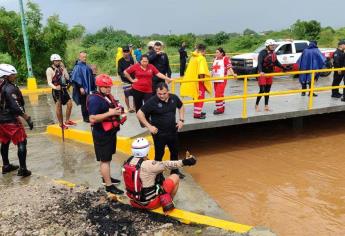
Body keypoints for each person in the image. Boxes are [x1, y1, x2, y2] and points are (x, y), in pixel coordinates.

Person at [122, 137, 197, 212]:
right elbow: (168, 164)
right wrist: (186, 161)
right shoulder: (149, 164)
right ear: (146, 150)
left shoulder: (127, 162)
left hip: (134, 201)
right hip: (150, 204)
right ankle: (168, 202)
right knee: (175, 176)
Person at [87, 74, 126, 195]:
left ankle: (106, 178)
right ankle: (109, 186)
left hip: (109, 132)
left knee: (108, 158)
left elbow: (110, 109)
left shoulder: (106, 96)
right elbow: (92, 118)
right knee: (105, 160)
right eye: (105, 86)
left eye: (109, 86)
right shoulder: (95, 99)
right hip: (101, 134)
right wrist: (111, 113)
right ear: (99, 86)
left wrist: (118, 110)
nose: (108, 89)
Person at [137, 82, 186, 178]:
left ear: (168, 91)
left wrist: (181, 120)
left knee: (174, 152)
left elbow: (181, 106)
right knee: (159, 154)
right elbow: (139, 113)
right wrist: (149, 126)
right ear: (156, 92)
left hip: (172, 130)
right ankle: (158, 174)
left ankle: (174, 171)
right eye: (159, 94)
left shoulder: (174, 98)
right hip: (159, 133)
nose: (162, 96)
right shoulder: (152, 101)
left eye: (164, 93)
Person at [0, 64, 33, 177]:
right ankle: (23, 169)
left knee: (5, 141)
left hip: (1, 121)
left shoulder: (1, 85)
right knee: (22, 141)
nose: (14, 76)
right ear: (5, 76)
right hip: (10, 120)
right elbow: (16, 106)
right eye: (12, 75)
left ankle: (6, 165)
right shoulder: (9, 88)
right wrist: (27, 118)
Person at [180, 44, 212, 119]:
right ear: (203, 50)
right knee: (200, 97)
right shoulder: (201, 58)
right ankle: (197, 114)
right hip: (199, 81)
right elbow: (201, 72)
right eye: (205, 51)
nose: (206, 53)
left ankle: (197, 111)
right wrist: (203, 81)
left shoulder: (193, 57)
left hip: (194, 80)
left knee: (196, 97)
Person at [46, 54, 76, 130]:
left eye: (59, 60)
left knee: (70, 104)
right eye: (56, 61)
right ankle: (60, 124)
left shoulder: (61, 68)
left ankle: (67, 121)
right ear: (53, 61)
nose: (58, 62)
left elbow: (67, 77)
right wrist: (55, 87)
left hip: (64, 89)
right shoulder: (49, 70)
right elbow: (49, 82)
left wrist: (64, 68)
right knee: (58, 107)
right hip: (56, 90)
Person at [255, 39, 286, 112]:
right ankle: (256, 105)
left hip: (270, 73)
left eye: (273, 45)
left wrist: (284, 68)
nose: (273, 46)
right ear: (267, 46)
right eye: (271, 45)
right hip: (262, 74)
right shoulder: (262, 53)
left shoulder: (273, 53)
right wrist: (260, 71)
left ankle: (266, 105)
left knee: (267, 90)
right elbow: (259, 63)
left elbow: (276, 62)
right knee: (262, 90)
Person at [71, 51, 96, 122]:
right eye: (83, 57)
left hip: (89, 88)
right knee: (84, 103)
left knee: (89, 102)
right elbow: (76, 78)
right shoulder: (77, 67)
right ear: (79, 57)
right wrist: (81, 87)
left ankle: (89, 116)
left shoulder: (86, 66)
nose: (84, 58)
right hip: (82, 89)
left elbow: (90, 76)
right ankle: (85, 118)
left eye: (85, 57)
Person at [211, 48, 237, 115]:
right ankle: (221, 107)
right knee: (219, 94)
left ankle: (219, 109)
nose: (216, 54)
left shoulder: (225, 59)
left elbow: (229, 67)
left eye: (217, 52)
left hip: (222, 79)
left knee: (218, 94)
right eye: (215, 52)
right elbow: (213, 69)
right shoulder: (215, 59)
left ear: (221, 53)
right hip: (215, 79)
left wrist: (233, 74)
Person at [118, 46, 135, 113]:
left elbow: (135, 68)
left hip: (133, 80)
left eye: (127, 51)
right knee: (127, 94)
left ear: (129, 52)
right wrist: (125, 76)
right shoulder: (120, 61)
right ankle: (129, 108)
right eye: (124, 51)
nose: (126, 53)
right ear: (122, 52)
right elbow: (119, 72)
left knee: (135, 94)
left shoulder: (132, 59)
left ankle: (134, 107)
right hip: (125, 81)